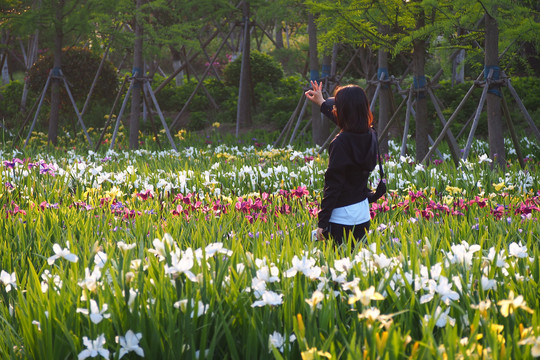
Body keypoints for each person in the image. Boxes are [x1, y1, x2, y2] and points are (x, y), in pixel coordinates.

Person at [305, 81, 377, 245]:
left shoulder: (340, 143)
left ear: (343, 111)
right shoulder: (370, 134)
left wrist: (322, 223)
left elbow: (334, 184)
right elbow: (350, 124)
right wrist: (322, 104)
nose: (334, 108)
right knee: (358, 265)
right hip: (363, 212)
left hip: (341, 217)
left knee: (339, 266)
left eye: (337, 105)